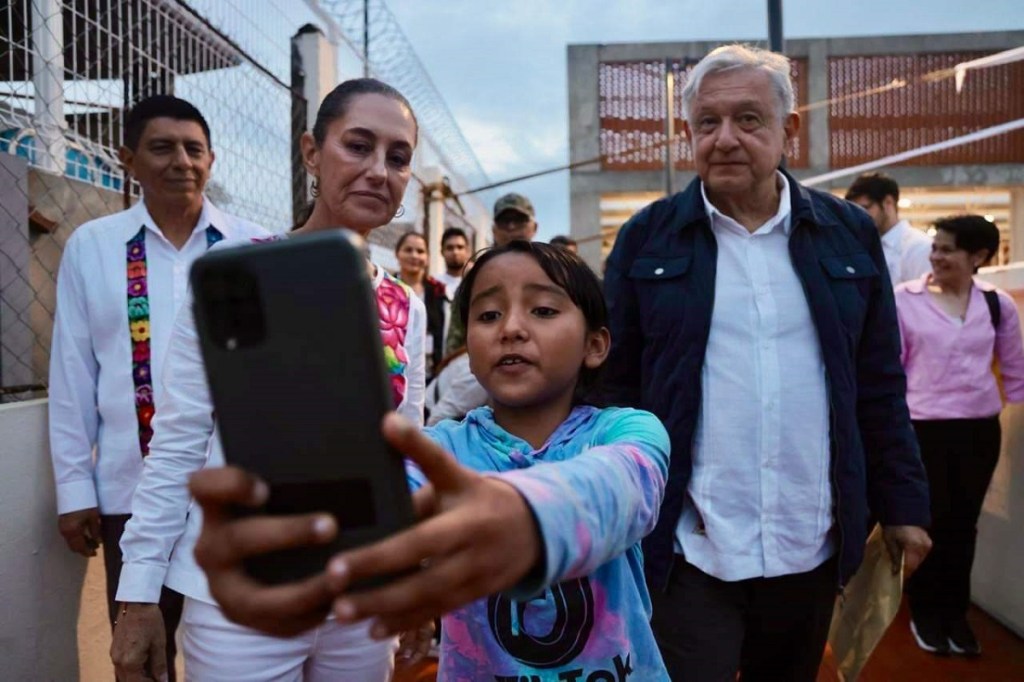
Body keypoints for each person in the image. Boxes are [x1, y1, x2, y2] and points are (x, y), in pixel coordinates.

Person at [186, 241, 673, 680]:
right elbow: (374, 518)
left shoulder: (628, 433)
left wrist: (524, 518)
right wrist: (284, 544)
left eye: (543, 309)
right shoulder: (436, 451)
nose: (512, 328)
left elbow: (625, 486)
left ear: (595, 345)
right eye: (487, 315)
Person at [601, 44, 932, 681]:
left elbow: (878, 384)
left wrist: (905, 505)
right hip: (688, 546)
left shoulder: (848, 235)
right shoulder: (648, 238)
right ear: (688, 133)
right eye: (706, 122)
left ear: (790, 130)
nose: (724, 139)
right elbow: (614, 386)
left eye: (748, 120)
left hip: (811, 544)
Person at [109, 78, 426, 681]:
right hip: (241, 597)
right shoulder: (235, 277)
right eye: (357, 146)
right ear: (312, 152)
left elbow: (404, 450)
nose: (378, 170)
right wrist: (139, 596)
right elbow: (177, 443)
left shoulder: (404, 305)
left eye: (398, 156)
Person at [47, 94, 269, 680]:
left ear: (212, 160)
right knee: (140, 659)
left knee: (235, 653)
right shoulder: (93, 248)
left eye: (194, 149)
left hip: (229, 495)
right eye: (162, 148)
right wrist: (75, 489)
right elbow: (73, 376)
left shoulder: (252, 249)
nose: (181, 162)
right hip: (131, 493)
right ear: (127, 159)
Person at [895, 215, 1024, 657]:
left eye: (948, 249)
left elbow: (1016, 368)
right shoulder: (904, 301)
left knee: (963, 526)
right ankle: (924, 611)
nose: (937, 256)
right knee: (926, 523)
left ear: (979, 257)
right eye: (936, 247)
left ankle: (955, 613)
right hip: (921, 430)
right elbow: (892, 371)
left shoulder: (997, 304)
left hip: (978, 430)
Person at [444, 191, 538, 355]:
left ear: (534, 227)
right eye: (504, 221)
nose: (511, 227)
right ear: (494, 230)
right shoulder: (478, 276)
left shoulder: (549, 272)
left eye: (519, 221)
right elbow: (457, 335)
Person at [846, 172, 932, 285]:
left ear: (888, 202)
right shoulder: (860, 246)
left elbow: (924, 299)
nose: (858, 216)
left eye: (864, 208)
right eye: (854, 211)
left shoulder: (919, 246)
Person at [395, 231, 448, 379]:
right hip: (393, 373)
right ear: (397, 254)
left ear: (428, 258)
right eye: (408, 250)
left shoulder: (438, 292)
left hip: (431, 374)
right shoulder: (386, 290)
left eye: (420, 251)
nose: (414, 256)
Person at [437, 226, 470, 299]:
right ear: (442, 252)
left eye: (460, 247)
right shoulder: (434, 284)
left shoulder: (474, 284)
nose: (455, 252)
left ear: (467, 251)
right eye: (450, 248)